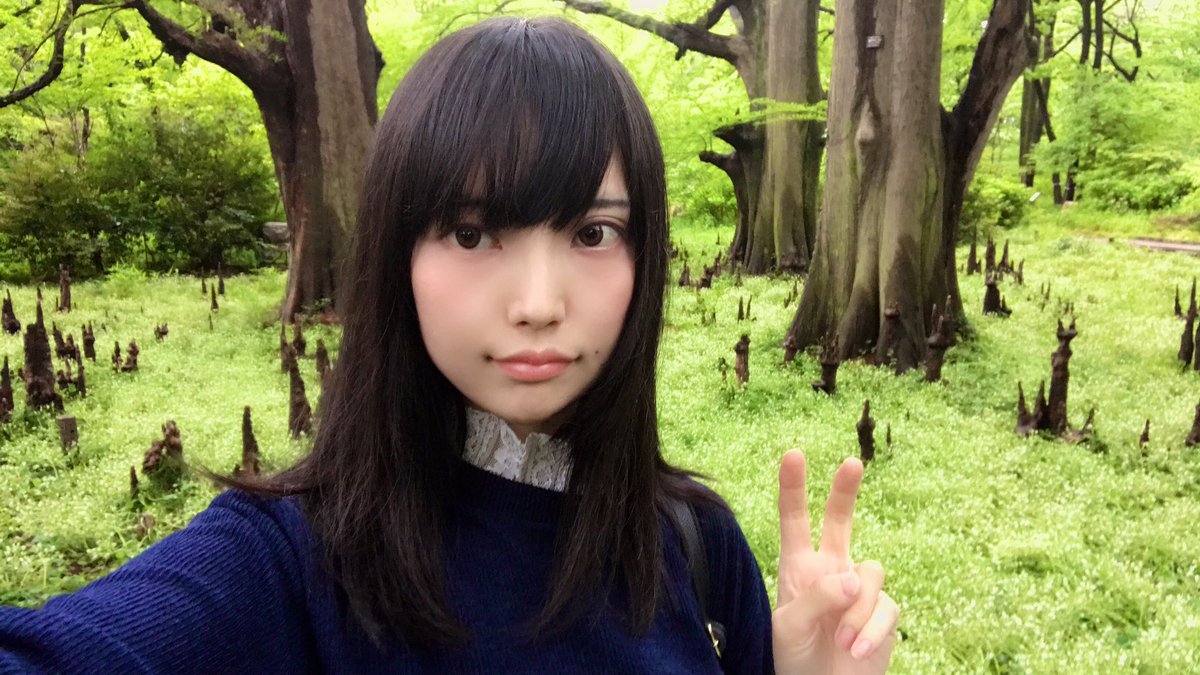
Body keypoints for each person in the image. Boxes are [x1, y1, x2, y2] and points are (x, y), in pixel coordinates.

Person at [0, 16, 897, 674]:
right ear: (399, 253)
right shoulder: (288, 559)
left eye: (593, 232)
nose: (539, 304)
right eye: (472, 233)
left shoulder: (694, 542)